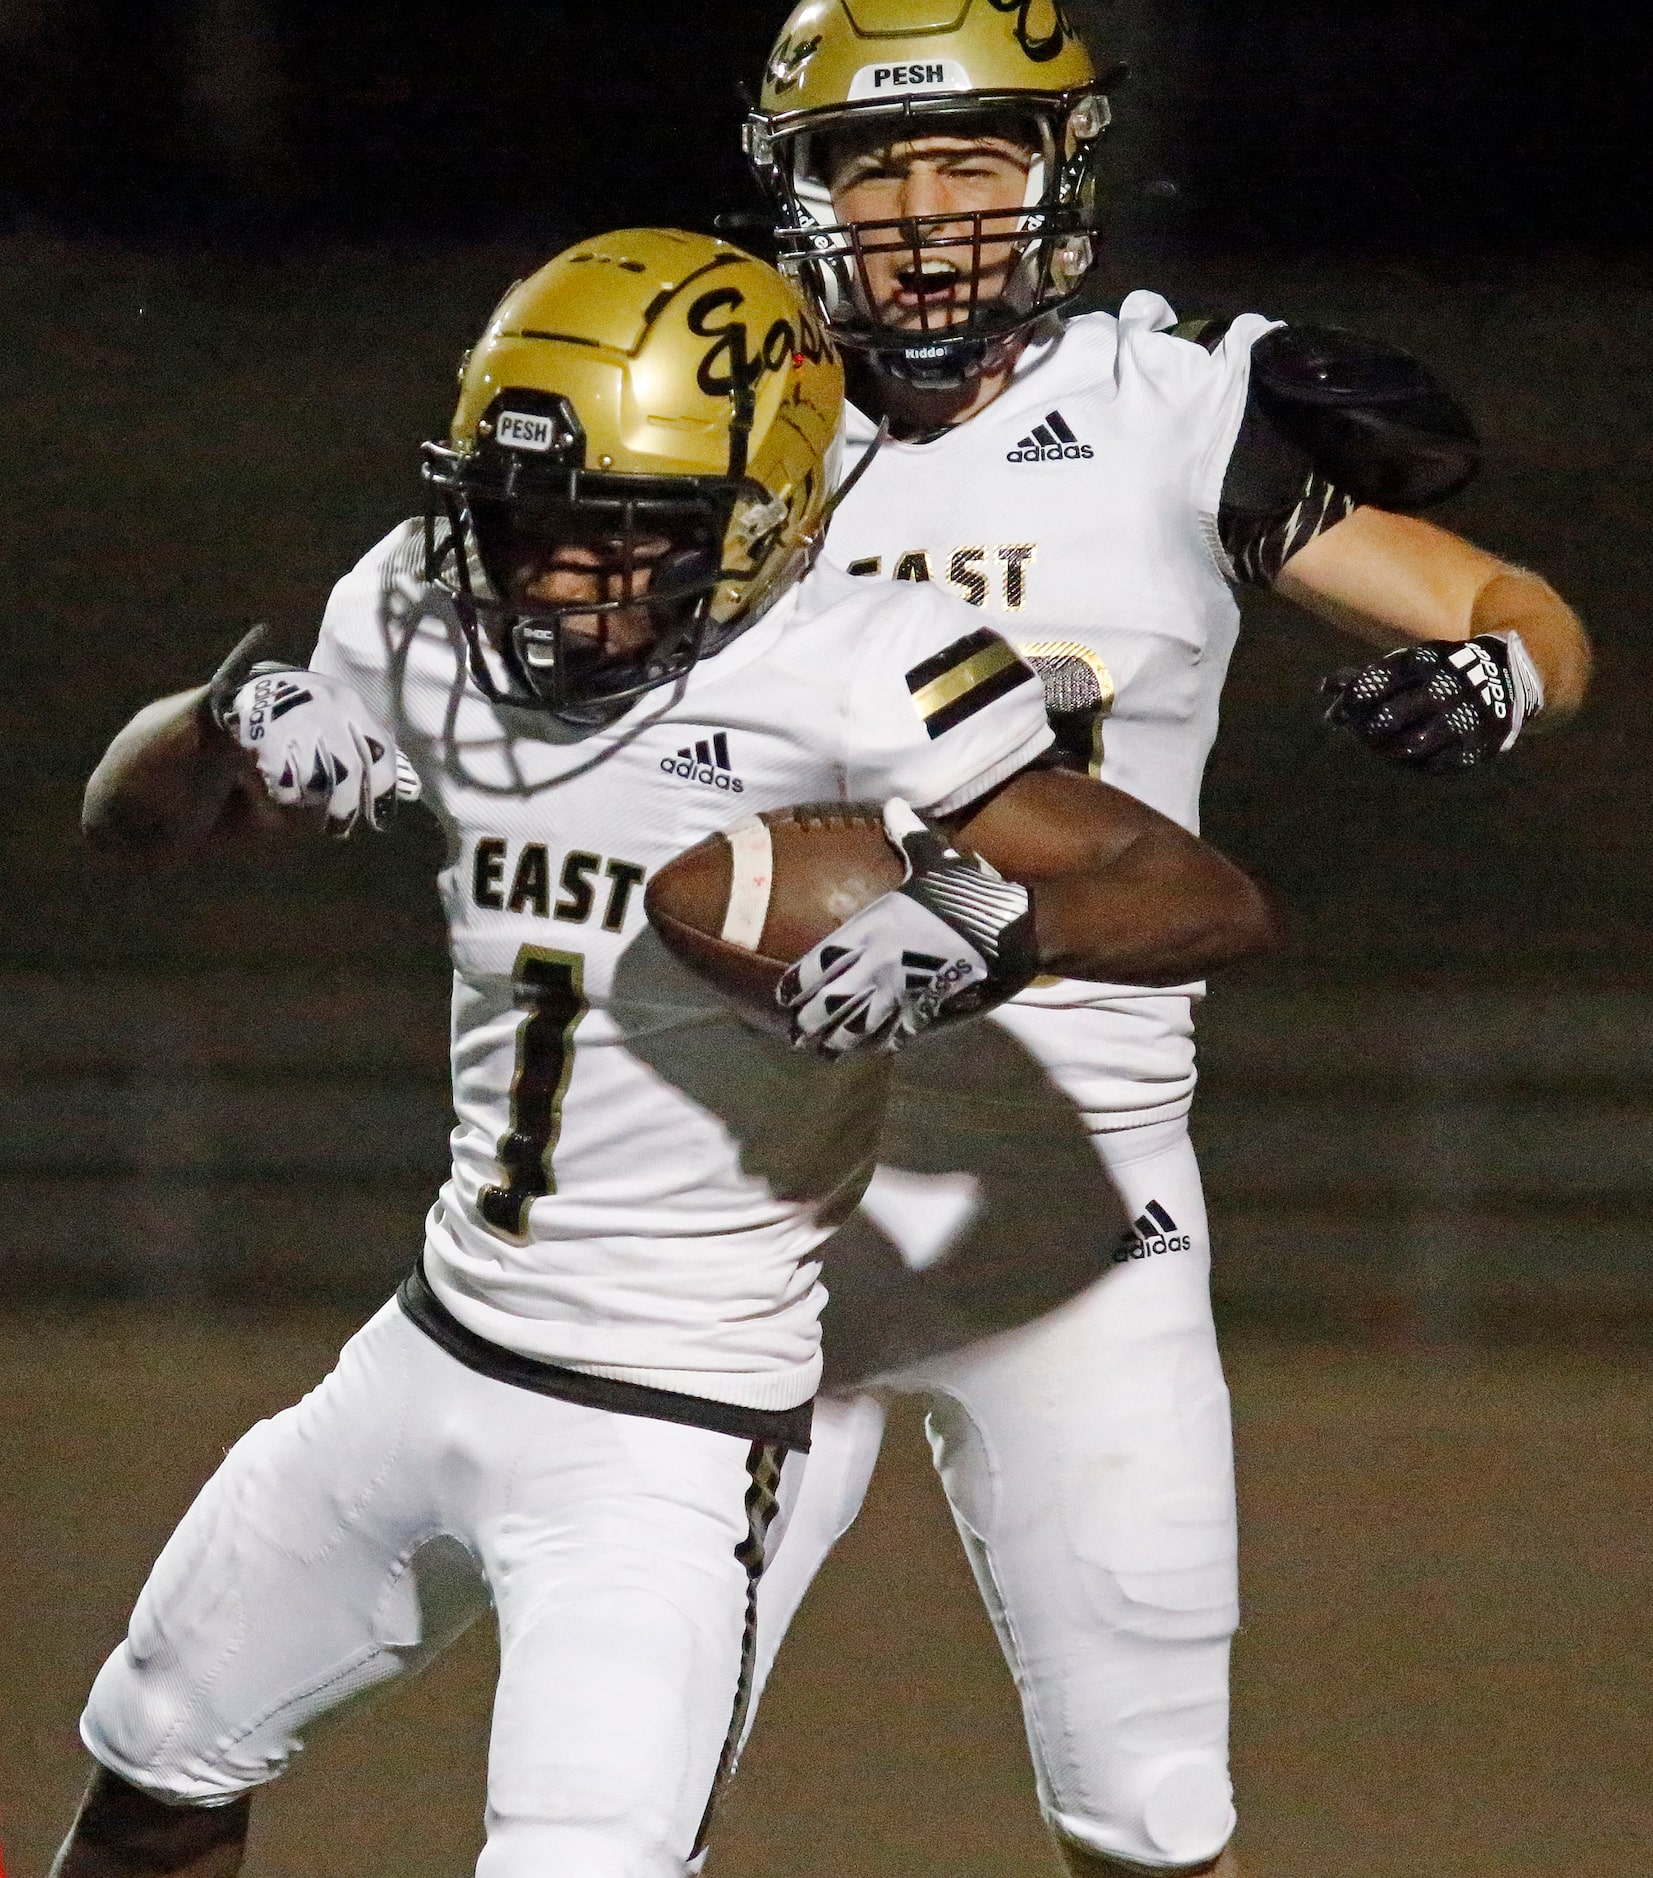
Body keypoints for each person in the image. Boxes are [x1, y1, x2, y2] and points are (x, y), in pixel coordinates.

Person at [51, 228, 1273, 1878]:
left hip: (663, 1435)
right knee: (147, 1769)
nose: (549, 572)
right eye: (521, 520)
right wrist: (223, 721)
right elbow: (123, 825)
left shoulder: (863, 658)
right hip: (420, 1351)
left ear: (760, 514)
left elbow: (1191, 890)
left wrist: (990, 923)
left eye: (613, 533)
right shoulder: (421, 600)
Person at [733, 4, 1595, 1875]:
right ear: (800, 196)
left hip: (1084, 1192)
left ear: (1054, 182)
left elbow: (1511, 605)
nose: (926, 214)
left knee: (1150, 1816)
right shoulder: (718, 424)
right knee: (605, 1776)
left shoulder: (1172, 415)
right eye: (876, 170)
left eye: (970, 163)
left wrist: (1498, 680)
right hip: (741, 1188)